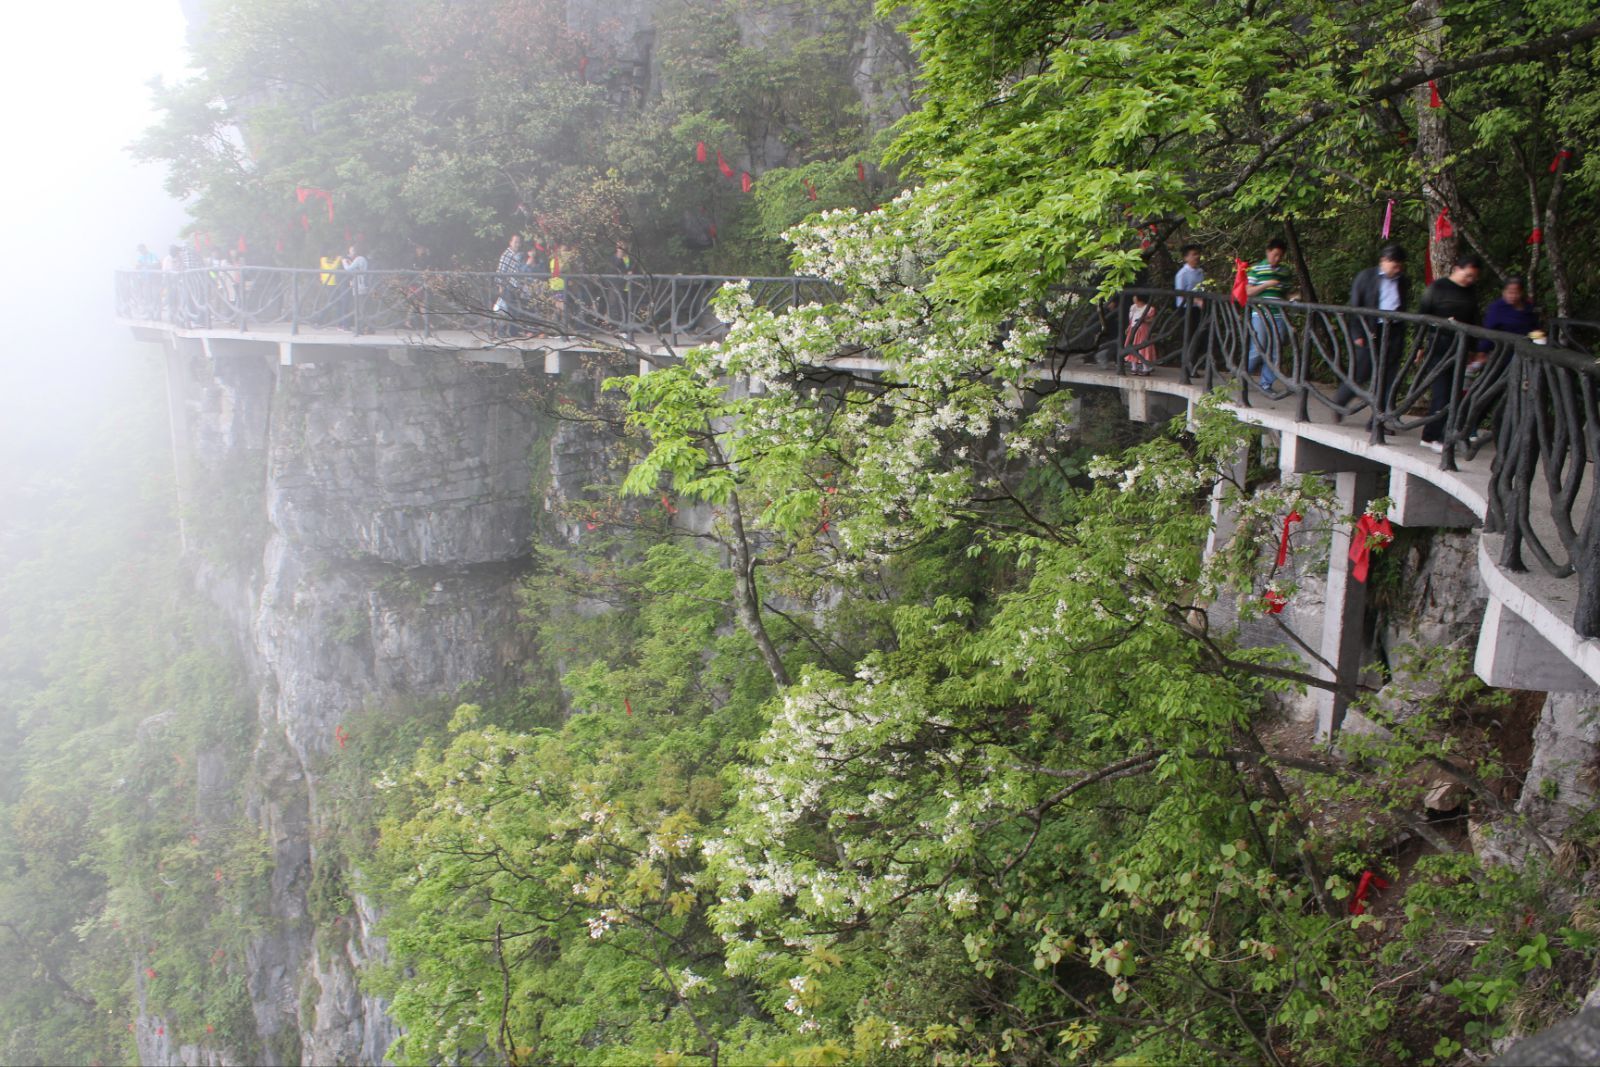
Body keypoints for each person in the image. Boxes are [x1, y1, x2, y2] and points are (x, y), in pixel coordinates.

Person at [1333, 245, 1410, 420]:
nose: (1397, 270)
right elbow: (1355, 307)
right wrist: (1357, 333)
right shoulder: (1366, 277)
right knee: (1362, 371)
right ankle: (1340, 401)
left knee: (1389, 376)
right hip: (1370, 329)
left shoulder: (1402, 280)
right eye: (1394, 265)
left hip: (1394, 330)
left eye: (1400, 266)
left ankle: (1379, 419)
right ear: (1384, 261)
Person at [1416, 252, 1483, 452]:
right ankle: (1432, 436)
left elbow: (1473, 318)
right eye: (1467, 275)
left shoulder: (1471, 291)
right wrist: (1419, 346)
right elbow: (1422, 316)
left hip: (1460, 347)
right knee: (1441, 393)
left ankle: (1439, 434)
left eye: (1474, 277)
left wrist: (1474, 348)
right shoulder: (1438, 288)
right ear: (1457, 269)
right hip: (1439, 346)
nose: (1470, 280)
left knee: (1454, 393)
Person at [1245, 238, 1294, 398]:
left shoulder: (1285, 271)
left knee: (1275, 351)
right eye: (1275, 255)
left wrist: (1293, 299)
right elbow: (1248, 292)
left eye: (1280, 256)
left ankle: (1266, 383)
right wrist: (1266, 284)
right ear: (1268, 252)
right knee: (1258, 348)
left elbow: (1287, 292)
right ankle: (1242, 377)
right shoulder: (1257, 269)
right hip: (1260, 315)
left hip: (1279, 315)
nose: (1277, 258)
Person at [1174, 244, 1205, 362]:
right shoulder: (1182, 273)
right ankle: (1187, 365)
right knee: (1189, 336)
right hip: (1185, 309)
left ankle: (1194, 362)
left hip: (1198, 308)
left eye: (1197, 254)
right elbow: (1180, 292)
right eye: (1193, 255)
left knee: (1198, 336)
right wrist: (1195, 299)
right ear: (1186, 257)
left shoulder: (1200, 271)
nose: (1196, 257)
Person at [494, 234, 522, 338]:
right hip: (506, 285)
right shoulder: (506, 255)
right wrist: (500, 287)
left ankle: (513, 331)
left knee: (514, 309)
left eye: (519, 242)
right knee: (505, 309)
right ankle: (501, 331)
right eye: (515, 242)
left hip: (514, 286)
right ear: (510, 242)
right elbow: (500, 271)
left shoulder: (518, 255)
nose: (517, 244)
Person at [1124, 293, 1157, 375]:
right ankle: (1134, 367)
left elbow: (1152, 319)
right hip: (1133, 329)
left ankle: (1145, 368)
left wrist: (1144, 321)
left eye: (1135, 297)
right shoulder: (1133, 307)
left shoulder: (1149, 308)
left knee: (1143, 348)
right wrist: (1129, 327)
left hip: (1143, 330)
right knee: (1131, 346)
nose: (1133, 298)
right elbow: (1131, 318)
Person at [341, 243, 369, 330]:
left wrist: (344, 262)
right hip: (360, 285)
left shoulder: (359, 259)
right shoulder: (362, 259)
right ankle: (363, 327)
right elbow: (356, 268)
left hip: (359, 286)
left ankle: (362, 327)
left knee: (359, 308)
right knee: (360, 307)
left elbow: (348, 269)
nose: (351, 252)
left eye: (353, 250)